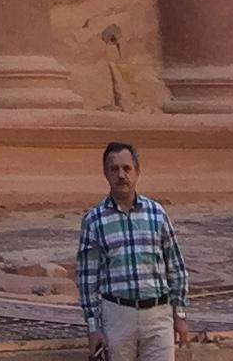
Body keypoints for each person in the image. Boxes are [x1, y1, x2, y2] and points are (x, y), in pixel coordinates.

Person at [77, 139, 190, 361]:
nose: (121, 175)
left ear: (137, 172)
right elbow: (87, 280)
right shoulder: (94, 221)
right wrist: (93, 327)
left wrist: (180, 315)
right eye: (114, 169)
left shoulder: (156, 214)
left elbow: (175, 266)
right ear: (106, 174)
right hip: (117, 317)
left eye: (127, 168)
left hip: (158, 316)